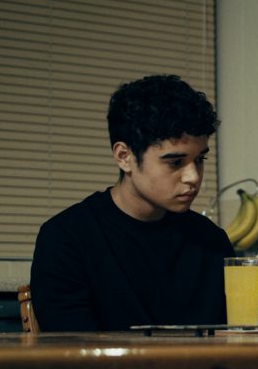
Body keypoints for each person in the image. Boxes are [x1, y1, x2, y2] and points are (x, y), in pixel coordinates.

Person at [30, 75, 234, 331]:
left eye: (200, 159)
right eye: (175, 162)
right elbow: (73, 352)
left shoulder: (211, 242)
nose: (193, 177)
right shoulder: (67, 238)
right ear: (124, 157)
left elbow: (229, 344)